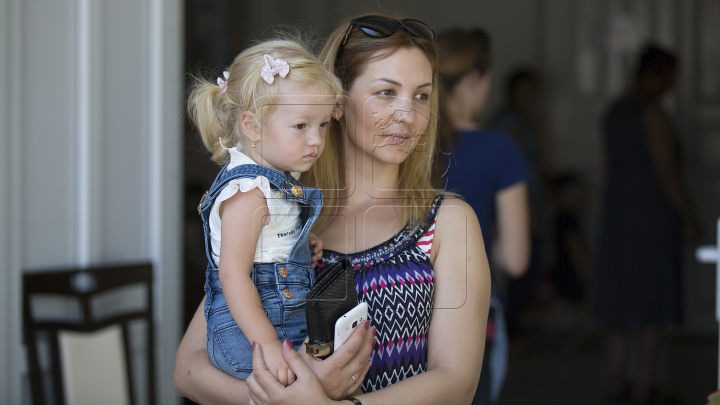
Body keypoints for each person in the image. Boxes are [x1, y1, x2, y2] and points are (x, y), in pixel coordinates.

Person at [174, 13, 491, 405]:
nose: (408, 115)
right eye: (387, 92)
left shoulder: (448, 222)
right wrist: (277, 399)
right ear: (337, 101)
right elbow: (188, 368)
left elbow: (457, 384)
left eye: (421, 96)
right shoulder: (280, 211)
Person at [186, 39, 343, 385]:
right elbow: (234, 276)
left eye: (323, 125)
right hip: (252, 335)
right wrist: (268, 346)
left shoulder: (274, 182)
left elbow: (268, 244)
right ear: (253, 127)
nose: (316, 140)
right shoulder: (249, 193)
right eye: (301, 126)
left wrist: (301, 244)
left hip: (277, 318)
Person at [595, 44, 701, 404]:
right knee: (651, 296)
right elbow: (668, 173)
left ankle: (616, 376)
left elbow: (609, 163)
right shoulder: (652, 113)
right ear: (655, 74)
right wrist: (691, 218)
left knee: (622, 294)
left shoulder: (614, 111)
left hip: (619, 210)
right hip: (650, 215)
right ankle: (645, 383)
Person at [435, 28, 530, 405]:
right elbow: (516, 258)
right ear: (475, 80)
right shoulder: (499, 149)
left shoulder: (406, 146)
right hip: (472, 312)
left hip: (402, 304)